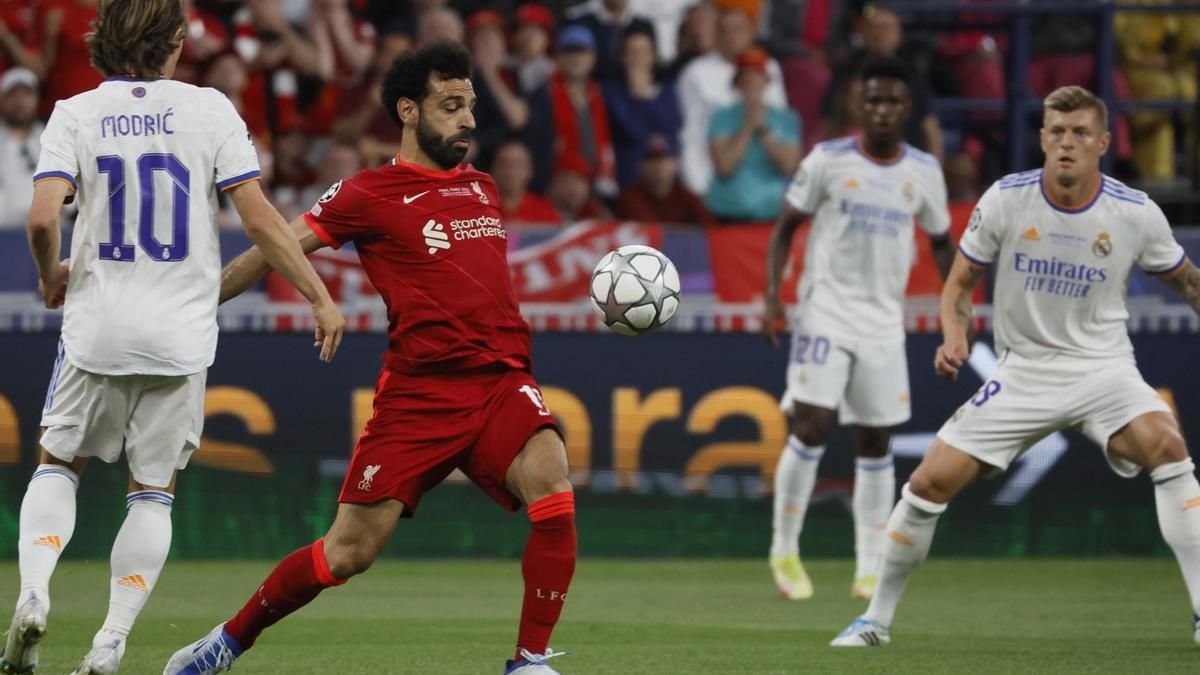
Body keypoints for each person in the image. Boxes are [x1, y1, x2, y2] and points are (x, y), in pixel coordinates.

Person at [163, 41, 578, 675]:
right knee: (346, 555)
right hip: (420, 395)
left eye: (471, 105)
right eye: (451, 105)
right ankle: (227, 641)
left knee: (553, 485)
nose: (469, 119)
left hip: (500, 384)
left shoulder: (484, 187)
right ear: (408, 111)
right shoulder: (369, 193)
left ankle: (528, 661)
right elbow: (275, 244)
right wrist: (193, 305)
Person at [0, 1, 345, 673]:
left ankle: (35, 592)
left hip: (99, 322)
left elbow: (43, 218)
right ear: (174, 43)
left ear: (104, 41)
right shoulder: (211, 109)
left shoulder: (75, 111)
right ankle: (111, 639)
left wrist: (50, 275)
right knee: (152, 489)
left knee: (58, 463)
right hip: (182, 332)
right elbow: (263, 221)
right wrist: (318, 294)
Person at [831, 85, 1200, 648]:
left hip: (1103, 371)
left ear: (1103, 142)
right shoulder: (1007, 199)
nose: (1067, 144)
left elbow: (1189, 282)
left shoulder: (1134, 212)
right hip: (1022, 373)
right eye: (1056, 132)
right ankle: (874, 620)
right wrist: (954, 334)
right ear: (1043, 139)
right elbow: (958, 284)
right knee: (928, 483)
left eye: (1079, 133)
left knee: (1168, 446)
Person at [762, 57, 955, 602]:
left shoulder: (923, 172)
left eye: (892, 101)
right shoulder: (827, 160)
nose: (881, 110)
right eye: (872, 100)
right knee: (813, 425)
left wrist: (954, 311)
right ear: (857, 104)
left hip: (882, 320)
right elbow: (785, 227)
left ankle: (869, 565)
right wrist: (773, 296)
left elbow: (941, 242)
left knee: (875, 441)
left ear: (907, 108)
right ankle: (784, 549)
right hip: (825, 307)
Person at [705, 46, 801, 222]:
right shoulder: (721, 118)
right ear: (738, 83)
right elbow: (724, 166)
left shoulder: (787, 119)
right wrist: (748, 127)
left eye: (757, 77)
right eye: (746, 78)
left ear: (766, 81)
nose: (752, 83)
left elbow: (789, 167)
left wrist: (764, 131)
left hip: (770, 213)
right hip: (727, 213)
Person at [614, 132, 714, 225]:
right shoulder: (630, 196)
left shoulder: (686, 196)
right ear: (642, 165)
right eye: (653, 159)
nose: (660, 165)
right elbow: (651, 230)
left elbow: (713, 230)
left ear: (676, 162)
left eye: (666, 158)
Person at [0, 67, 42, 231]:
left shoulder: (52, 137)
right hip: (4, 232)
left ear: (36, 99)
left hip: (48, 233)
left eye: (26, 94)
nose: (20, 101)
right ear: (3, 100)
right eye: (13, 95)